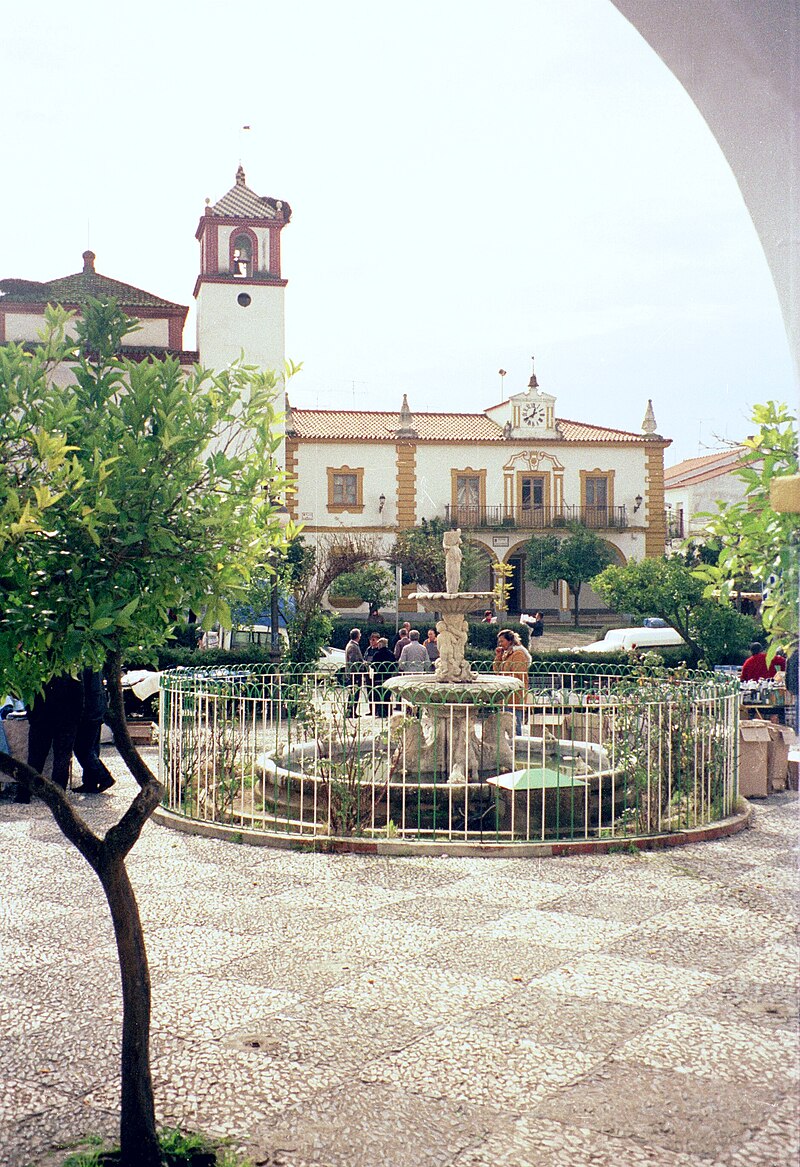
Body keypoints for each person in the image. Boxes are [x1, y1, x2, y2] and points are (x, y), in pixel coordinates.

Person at [18, 674, 84, 802]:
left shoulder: (39, 666)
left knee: (36, 758)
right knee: (60, 758)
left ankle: (25, 794)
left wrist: (32, 716)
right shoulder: (71, 668)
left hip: (44, 719)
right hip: (63, 720)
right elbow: (79, 696)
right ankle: (57, 795)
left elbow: (29, 693)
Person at [73, 670, 115, 794]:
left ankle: (104, 777)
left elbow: (83, 690)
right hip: (96, 709)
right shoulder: (93, 662)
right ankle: (90, 783)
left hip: (89, 712)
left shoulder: (84, 664)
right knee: (91, 748)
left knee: (83, 749)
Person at [493, 629, 532, 736]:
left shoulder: (518, 654)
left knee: (515, 723)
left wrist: (504, 678)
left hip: (515, 694)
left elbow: (518, 675)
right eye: (499, 642)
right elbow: (496, 670)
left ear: (510, 641)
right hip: (507, 694)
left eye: (502, 641)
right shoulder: (506, 654)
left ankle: (517, 745)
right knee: (507, 722)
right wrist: (498, 657)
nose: (500, 644)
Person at [370, 638, 397, 718]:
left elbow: (373, 665)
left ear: (380, 645)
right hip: (388, 677)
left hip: (378, 677)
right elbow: (394, 664)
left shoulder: (377, 654)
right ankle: (388, 711)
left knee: (379, 695)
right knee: (387, 695)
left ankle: (380, 712)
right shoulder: (391, 654)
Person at [344, 628, 364, 716]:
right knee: (354, 693)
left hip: (353, 673)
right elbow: (354, 660)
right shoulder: (352, 646)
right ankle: (351, 711)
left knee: (353, 693)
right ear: (357, 636)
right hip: (354, 673)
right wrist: (362, 664)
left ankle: (352, 711)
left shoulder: (353, 645)